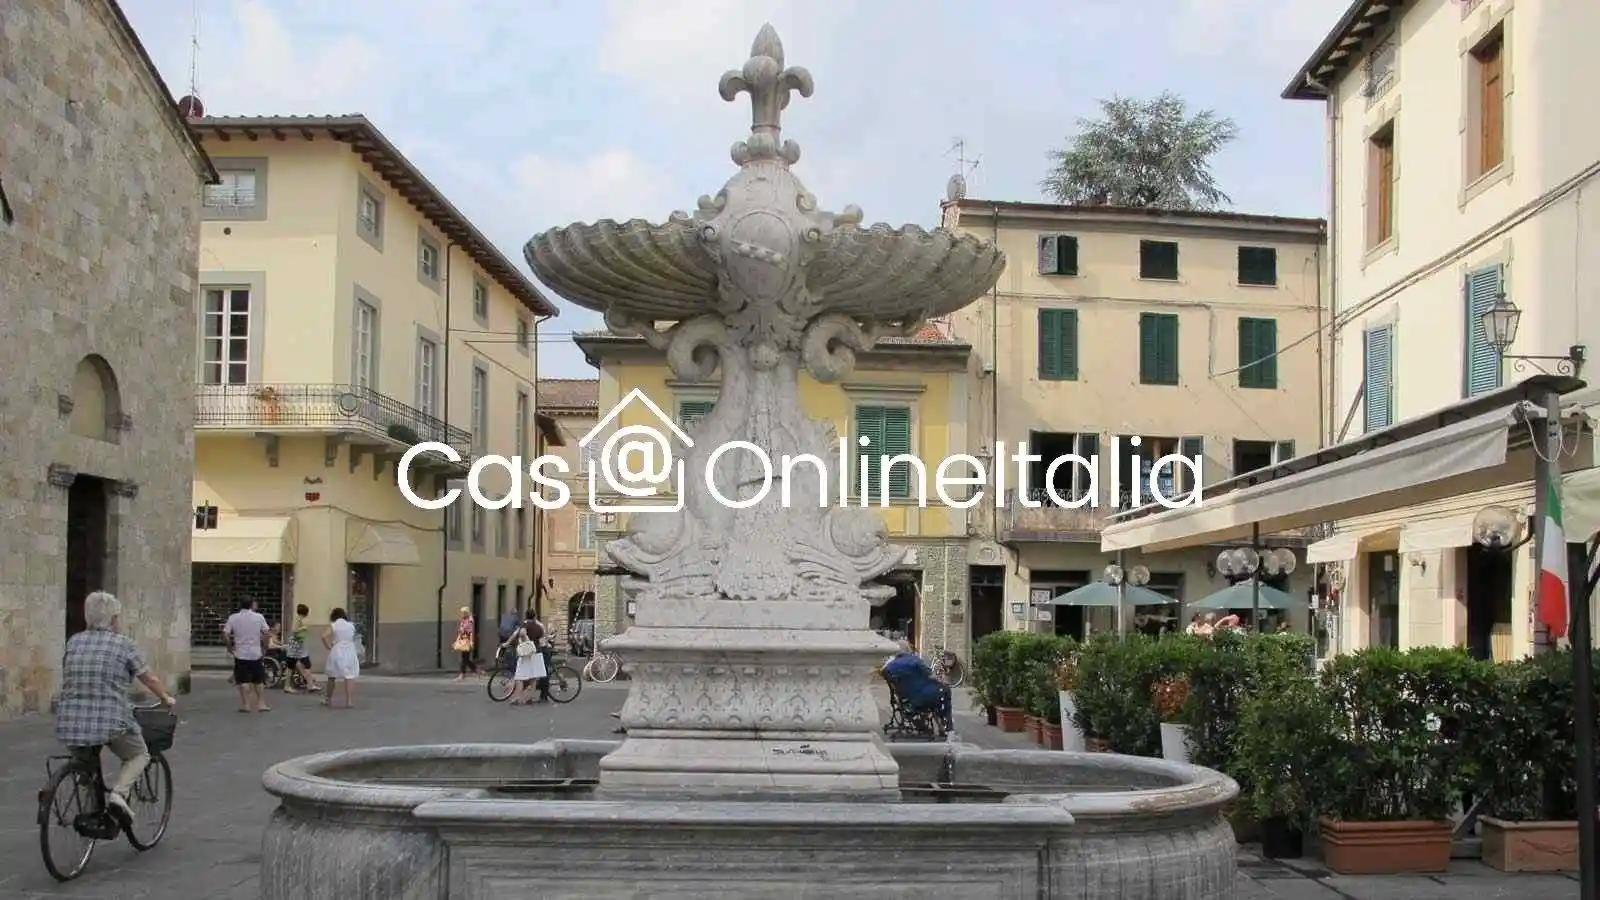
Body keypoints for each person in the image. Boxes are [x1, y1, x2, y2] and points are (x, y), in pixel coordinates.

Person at [55, 591, 177, 821]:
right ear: (112, 619)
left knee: (86, 764)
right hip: (110, 720)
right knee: (139, 754)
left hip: (70, 721)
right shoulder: (123, 644)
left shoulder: (74, 641)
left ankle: (89, 797)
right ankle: (119, 795)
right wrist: (166, 698)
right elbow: (148, 678)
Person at [881, 642, 952, 731]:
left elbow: (883, 671)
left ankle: (926, 723)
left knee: (934, 691)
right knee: (944, 690)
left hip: (904, 699)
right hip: (918, 698)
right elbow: (930, 675)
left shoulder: (891, 666)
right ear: (908, 649)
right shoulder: (915, 660)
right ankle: (947, 727)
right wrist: (940, 680)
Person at [224, 599, 271, 713]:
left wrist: (230, 647)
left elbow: (226, 634)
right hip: (255, 652)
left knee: (243, 680)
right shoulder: (259, 617)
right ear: (251, 605)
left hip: (240, 653)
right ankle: (261, 703)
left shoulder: (233, 617)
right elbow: (266, 633)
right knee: (259, 680)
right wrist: (265, 646)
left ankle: (246, 704)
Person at [500, 615, 549, 705]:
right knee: (533, 678)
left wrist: (507, 643)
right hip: (536, 653)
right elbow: (543, 640)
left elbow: (518, 634)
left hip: (525, 655)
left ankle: (517, 699)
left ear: (526, 616)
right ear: (534, 617)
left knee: (519, 677)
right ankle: (529, 698)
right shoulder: (539, 626)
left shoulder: (524, 625)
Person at [321, 607, 360, 708]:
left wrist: (328, 646)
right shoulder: (351, 625)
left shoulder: (334, 625)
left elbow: (323, 636)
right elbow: (354, 637)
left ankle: (328, 699)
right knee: (349, 676)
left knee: (332, 676)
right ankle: (349, 701)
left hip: (337, 650)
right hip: (350, 650)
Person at [282, 604, 319, 693]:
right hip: (296, 647)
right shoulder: (298, 619)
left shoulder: (298, 618)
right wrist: (303, 628)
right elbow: (294, 630)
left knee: (299, 665)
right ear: (305, 613)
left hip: (298, 646)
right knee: (302, 664)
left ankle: (310, 685)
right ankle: (308, 685)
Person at [452, 606, 478, 681]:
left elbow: (469, 632)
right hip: (463, 640)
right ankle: (476, 670)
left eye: (463, 613)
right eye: (462, 613)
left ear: (467, 613)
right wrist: (456, 641)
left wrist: (471, 641)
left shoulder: (470, 621)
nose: (462, 614)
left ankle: (462, 674)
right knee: (465, 659)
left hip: (467, 640)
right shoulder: (463, 620)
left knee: (464, 658)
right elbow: (460, 632)